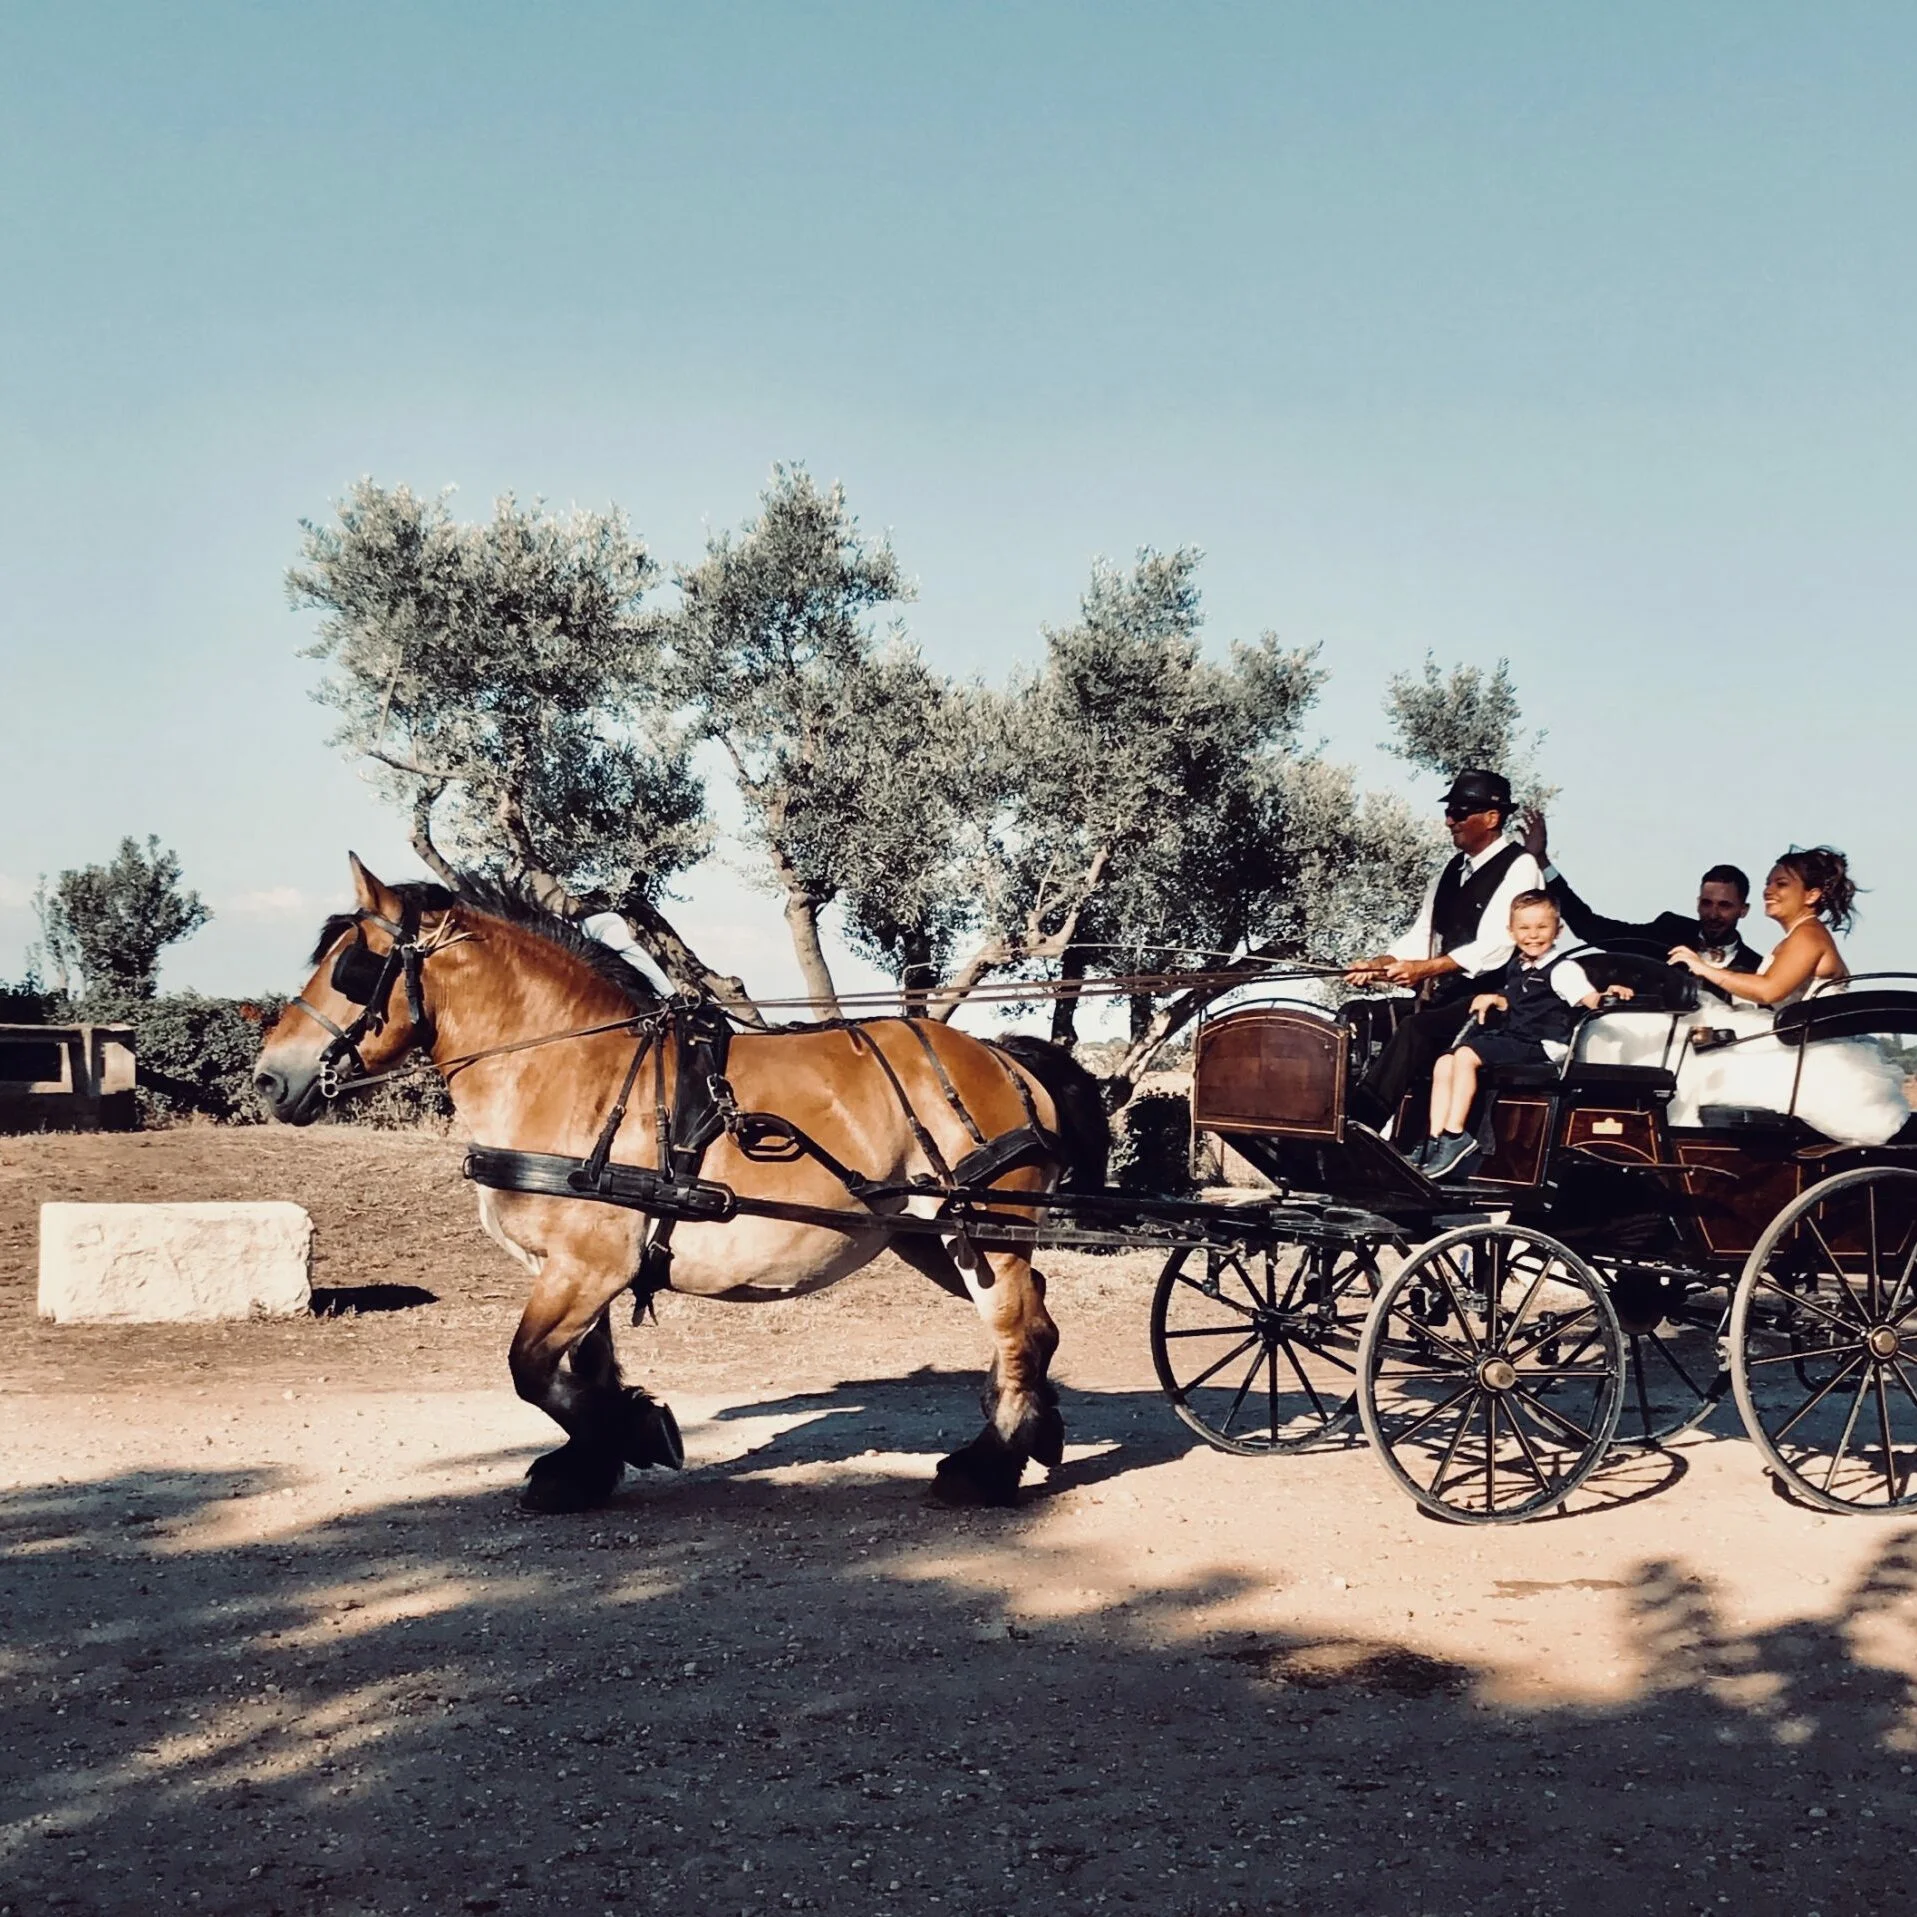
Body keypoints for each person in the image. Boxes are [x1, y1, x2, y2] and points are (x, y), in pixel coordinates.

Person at [1344, 768, 1542, 1137]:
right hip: (1446, 1000)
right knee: (1357, 1017)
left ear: (1492, 817)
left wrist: (1426, 969)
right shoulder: (1449, 872)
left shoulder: (1520, 866)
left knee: (1416, 1030)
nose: (1450, 820)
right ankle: (1331, 1116)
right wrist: (1377, 965)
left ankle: (1361, 1128)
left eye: (1459, 812)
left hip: (1493, 1002)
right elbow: (1421, 936)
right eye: (1448, 812)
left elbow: (1499, 944)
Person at [1420, 892, 1629, 1180]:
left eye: (1542, 928)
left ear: (1558, 930)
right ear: (1511, 931)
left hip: (1544, 1045)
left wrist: (1609, 994)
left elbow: (1589, 1000)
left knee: (1466, 1056)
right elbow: (1518, 1001)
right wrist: (1494, 998)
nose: (1533, 936)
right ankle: (1435, 1141)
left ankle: (1456, 1136)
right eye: (1525, 928)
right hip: (1517, 1037)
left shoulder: (1563, 970)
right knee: (1445, 1061)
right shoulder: (1518, 966)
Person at [1519, 811, 1763, 985]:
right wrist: (1542, 863)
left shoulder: (1756, 966)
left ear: (1744, 910)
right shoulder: (1668, 932)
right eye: (1706, 903)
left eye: (1724, 906)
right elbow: (1590, 927)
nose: (1712, 914)